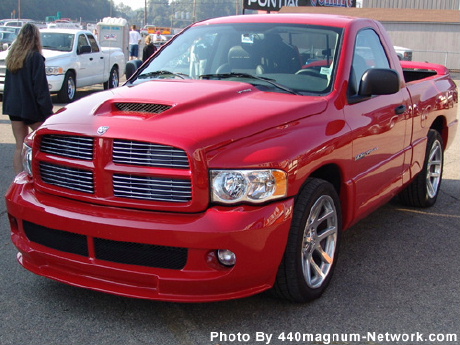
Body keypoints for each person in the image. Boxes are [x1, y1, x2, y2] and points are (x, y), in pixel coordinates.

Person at [2, 23, 53, 174]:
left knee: (19, 145)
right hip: (31, 109)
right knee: (45, 143)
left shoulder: (12, 57)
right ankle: (43, 176)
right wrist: (48, 113)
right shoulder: (35, 58)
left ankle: (19, 178)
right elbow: (40, 89)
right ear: (36, 38)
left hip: (14, 107)